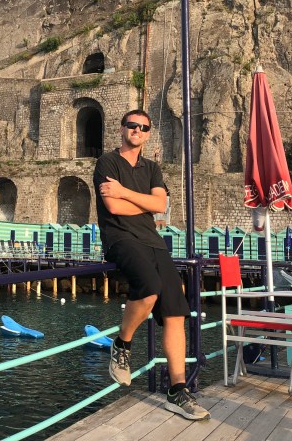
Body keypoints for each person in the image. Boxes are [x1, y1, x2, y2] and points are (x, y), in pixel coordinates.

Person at [93, 109, 209, 421]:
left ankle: (177, 390)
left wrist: (124, 193)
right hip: (121, 238)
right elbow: (113, 206)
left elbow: (160, 204)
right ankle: (122, 344)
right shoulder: (107, 162)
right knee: (149, 289)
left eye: (144, 127)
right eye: (132, 125)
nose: (138, 130)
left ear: (148, 134)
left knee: (175, 312)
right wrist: (141, 202)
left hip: (154, 243)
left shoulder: (152, 168)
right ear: (122, 129)